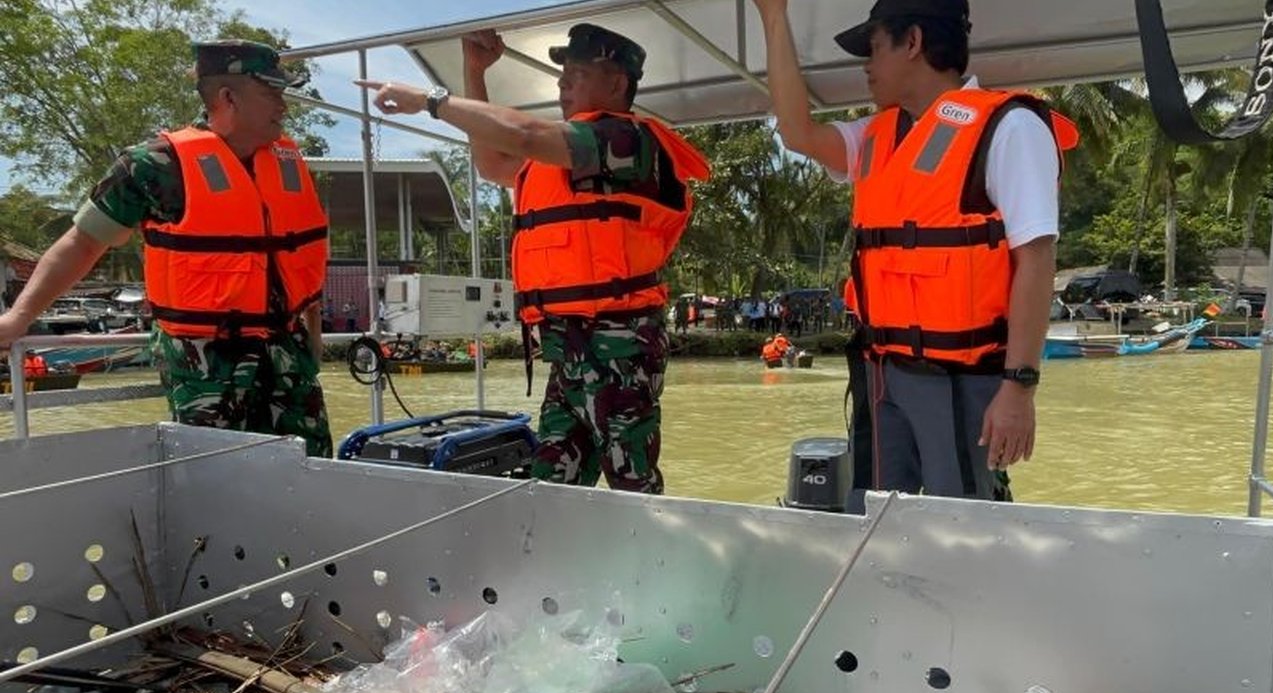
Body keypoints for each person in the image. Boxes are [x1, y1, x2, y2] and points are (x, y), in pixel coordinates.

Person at [357, 23, 710, 495]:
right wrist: (474, 71)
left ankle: (652, 566)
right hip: (566, 350)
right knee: (551, 483)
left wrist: (430, 101)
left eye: (578, 74)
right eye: (563, 75)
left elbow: (523, 135)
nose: (563, 84)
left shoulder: (625, 143)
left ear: (617, 84)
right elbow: (493, 164)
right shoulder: (562, 155)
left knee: (633, 489)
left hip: (620, 348)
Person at [753, 0, 1074, 510]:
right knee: (876, 514)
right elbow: (797, 133)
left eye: (875, 47)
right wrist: (774, 16)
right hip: (883, 376)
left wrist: (1020, 389)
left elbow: (1036, 260)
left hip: (965, 380)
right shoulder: (875, 136)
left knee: (962, 524)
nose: (866, 66)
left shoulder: (1008, 128)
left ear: (914, 43)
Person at [0, 40, 334, 457]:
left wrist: (314, 334)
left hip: (289, 357)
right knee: (215, 481)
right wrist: (20, 317)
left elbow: (298, 257)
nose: (283, 106)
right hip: (208, 367)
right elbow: (82, 243)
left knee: (312, 470)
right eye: (272, 93)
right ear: (228, 97)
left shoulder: (287, 160)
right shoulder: (155, 165)